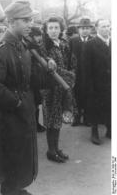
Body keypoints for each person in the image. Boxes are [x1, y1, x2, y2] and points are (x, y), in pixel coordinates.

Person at [0, 1, 57, 195]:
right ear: (12, 22)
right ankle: (10, 190)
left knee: (22, 154)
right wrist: (17, 102)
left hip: (24, 111)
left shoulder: (22, 45)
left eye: (30, 19)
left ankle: (15, 189)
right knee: (12, 156)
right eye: (26, 20)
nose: (30, 24)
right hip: (10, 115)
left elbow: (31, 79)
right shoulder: (0, 49)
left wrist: (48, 68)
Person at [42, 17, 75, 163]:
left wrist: (72, 74)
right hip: (50, 89)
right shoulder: (43, 47)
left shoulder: (64, 44)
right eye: (51, 28)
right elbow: (49, 70)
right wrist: (70, 76)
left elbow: (72, 63)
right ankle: (51, 150)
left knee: (58, 120)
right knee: (51, 120)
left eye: (56, 28)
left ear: (61, 29)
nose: (54, 31)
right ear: (46, 30)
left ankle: (56, 148)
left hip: (63, 87)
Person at [85, 19, 111, 145]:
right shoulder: (90, 44)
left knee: (110, 105)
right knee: (95, 106)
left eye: (108, 26)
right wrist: (89, 85)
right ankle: (94, 132)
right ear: (96, 28)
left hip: (111, 82)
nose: (106, 29)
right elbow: (86, 67)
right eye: (103, 26)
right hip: (96, 82)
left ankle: (110, 129)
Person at [69, 18, 93, 126]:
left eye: (87, 28)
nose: (85, 31)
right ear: (79, 29)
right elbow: (69, 56)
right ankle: (77, 117)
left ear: (90, 29)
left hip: (89, 74)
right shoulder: (73, 40)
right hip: (76, 73)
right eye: (83, 28)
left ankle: (87, 117)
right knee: (76, 94)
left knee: (88, 95)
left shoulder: (93, 40)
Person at [29, 26, 46, 132]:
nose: (39, 38)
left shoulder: (38, 46)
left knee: (35, 103)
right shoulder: (28, 46)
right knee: (32, 103)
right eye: (36, 36)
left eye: (40, 35)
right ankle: (32, 125)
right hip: (29, 77)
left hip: (36, 78)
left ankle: (36, 124)